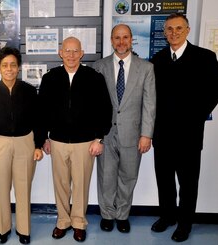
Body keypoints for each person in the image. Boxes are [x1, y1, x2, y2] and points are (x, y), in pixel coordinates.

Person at [150, 13, 218, 242]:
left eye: (179, 28)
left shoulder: (205, 57)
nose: (174, 33)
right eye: (169, 29)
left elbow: (215, 91)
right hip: (162, 134)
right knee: (164, 180)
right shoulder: (158, 59)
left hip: (189, 135)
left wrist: (195, 116)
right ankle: (167, 216)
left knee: (188, 183)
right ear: (164, 33)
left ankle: (184, 223)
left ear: (188, 30)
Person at [39, 37, 112, 242]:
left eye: (75, 51)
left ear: (82, 53)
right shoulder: (50, 78)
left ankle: (79, 222)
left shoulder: (94, 78)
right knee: (61, 184)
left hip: (85, 142)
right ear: (60, 53)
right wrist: (43, 137)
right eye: (67, 51)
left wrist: (100, 138)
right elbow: (41, 111)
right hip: (58, 141)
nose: (71, 55)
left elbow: (105, 109)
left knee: (81, 185)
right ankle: (63, 221)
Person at [92, 24, 156, 233]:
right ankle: (107, 214)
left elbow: (149, 104)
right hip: (106, 134)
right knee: (106, 176)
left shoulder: (146, 68)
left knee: (128, 177)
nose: (121, 42)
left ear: (131, 40)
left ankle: (122, 215)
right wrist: (95, 135)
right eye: (117, 38)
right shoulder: (99, 66)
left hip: (133, 133)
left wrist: (146, 134)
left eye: (125, 37)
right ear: (111, 40)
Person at [0, 47, 44, 244]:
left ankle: (24, 230)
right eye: (5, 65)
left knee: (23, 188)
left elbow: (38, 121)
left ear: (19, 68)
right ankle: (3, 228)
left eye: (13, 65)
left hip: (25, 143)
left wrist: (38, 145)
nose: (9, 69)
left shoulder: (29, 91)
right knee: (1, 188)